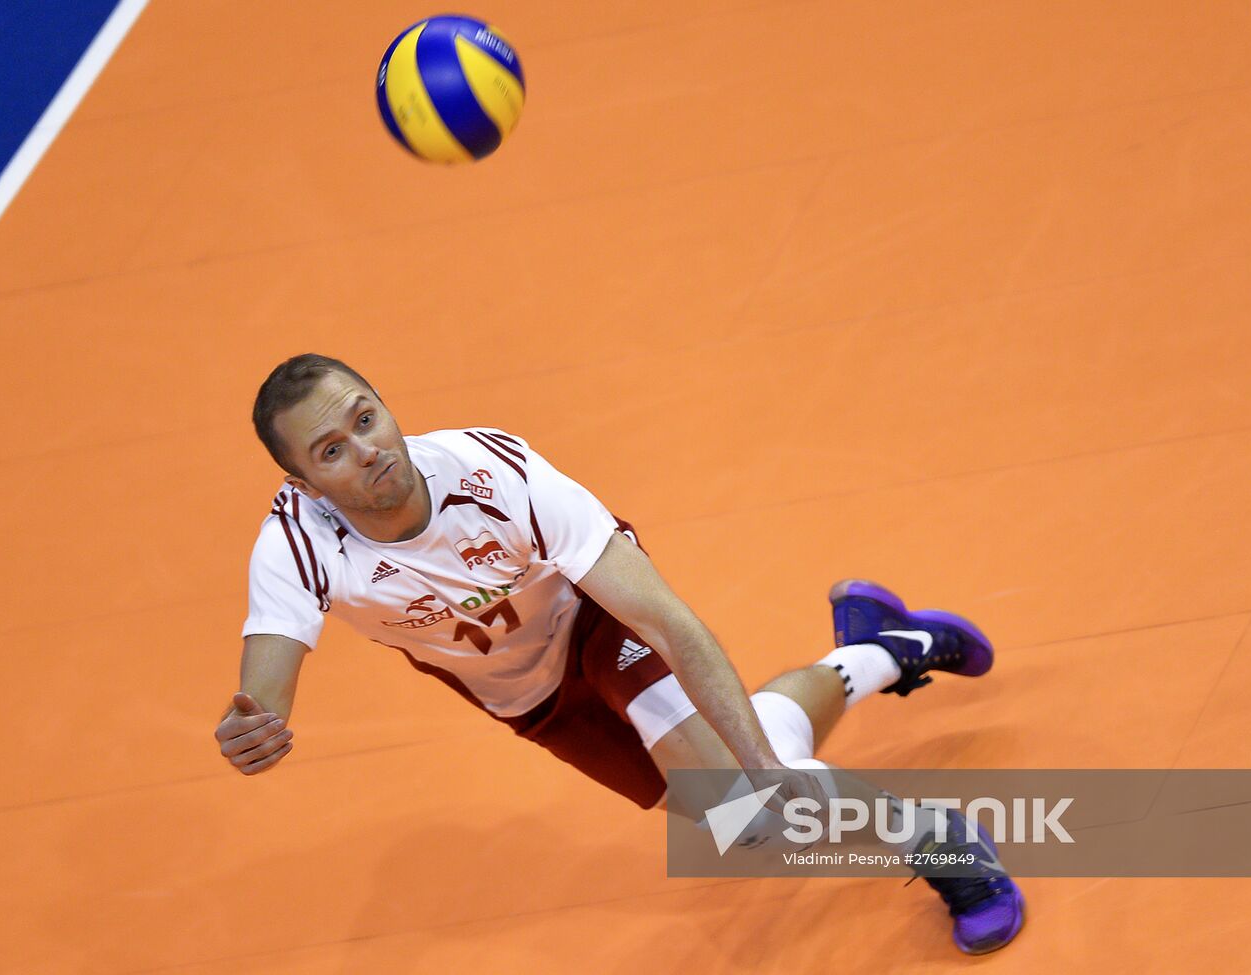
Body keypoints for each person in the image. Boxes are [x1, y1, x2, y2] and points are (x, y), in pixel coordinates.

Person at [214, 353, 1026, 955]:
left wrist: (756, 765)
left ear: (386, 405)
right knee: (742, 822)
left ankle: (948, 846)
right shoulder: (298, 545)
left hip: (600, 623)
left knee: (750, 788)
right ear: (307, 485)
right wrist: (256, 723)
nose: (367, 449)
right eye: (330, 450)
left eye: (366, 417)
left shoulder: (495, 474)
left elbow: (668, 619)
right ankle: (881, 646)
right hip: (527, 698)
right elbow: (268, 676)